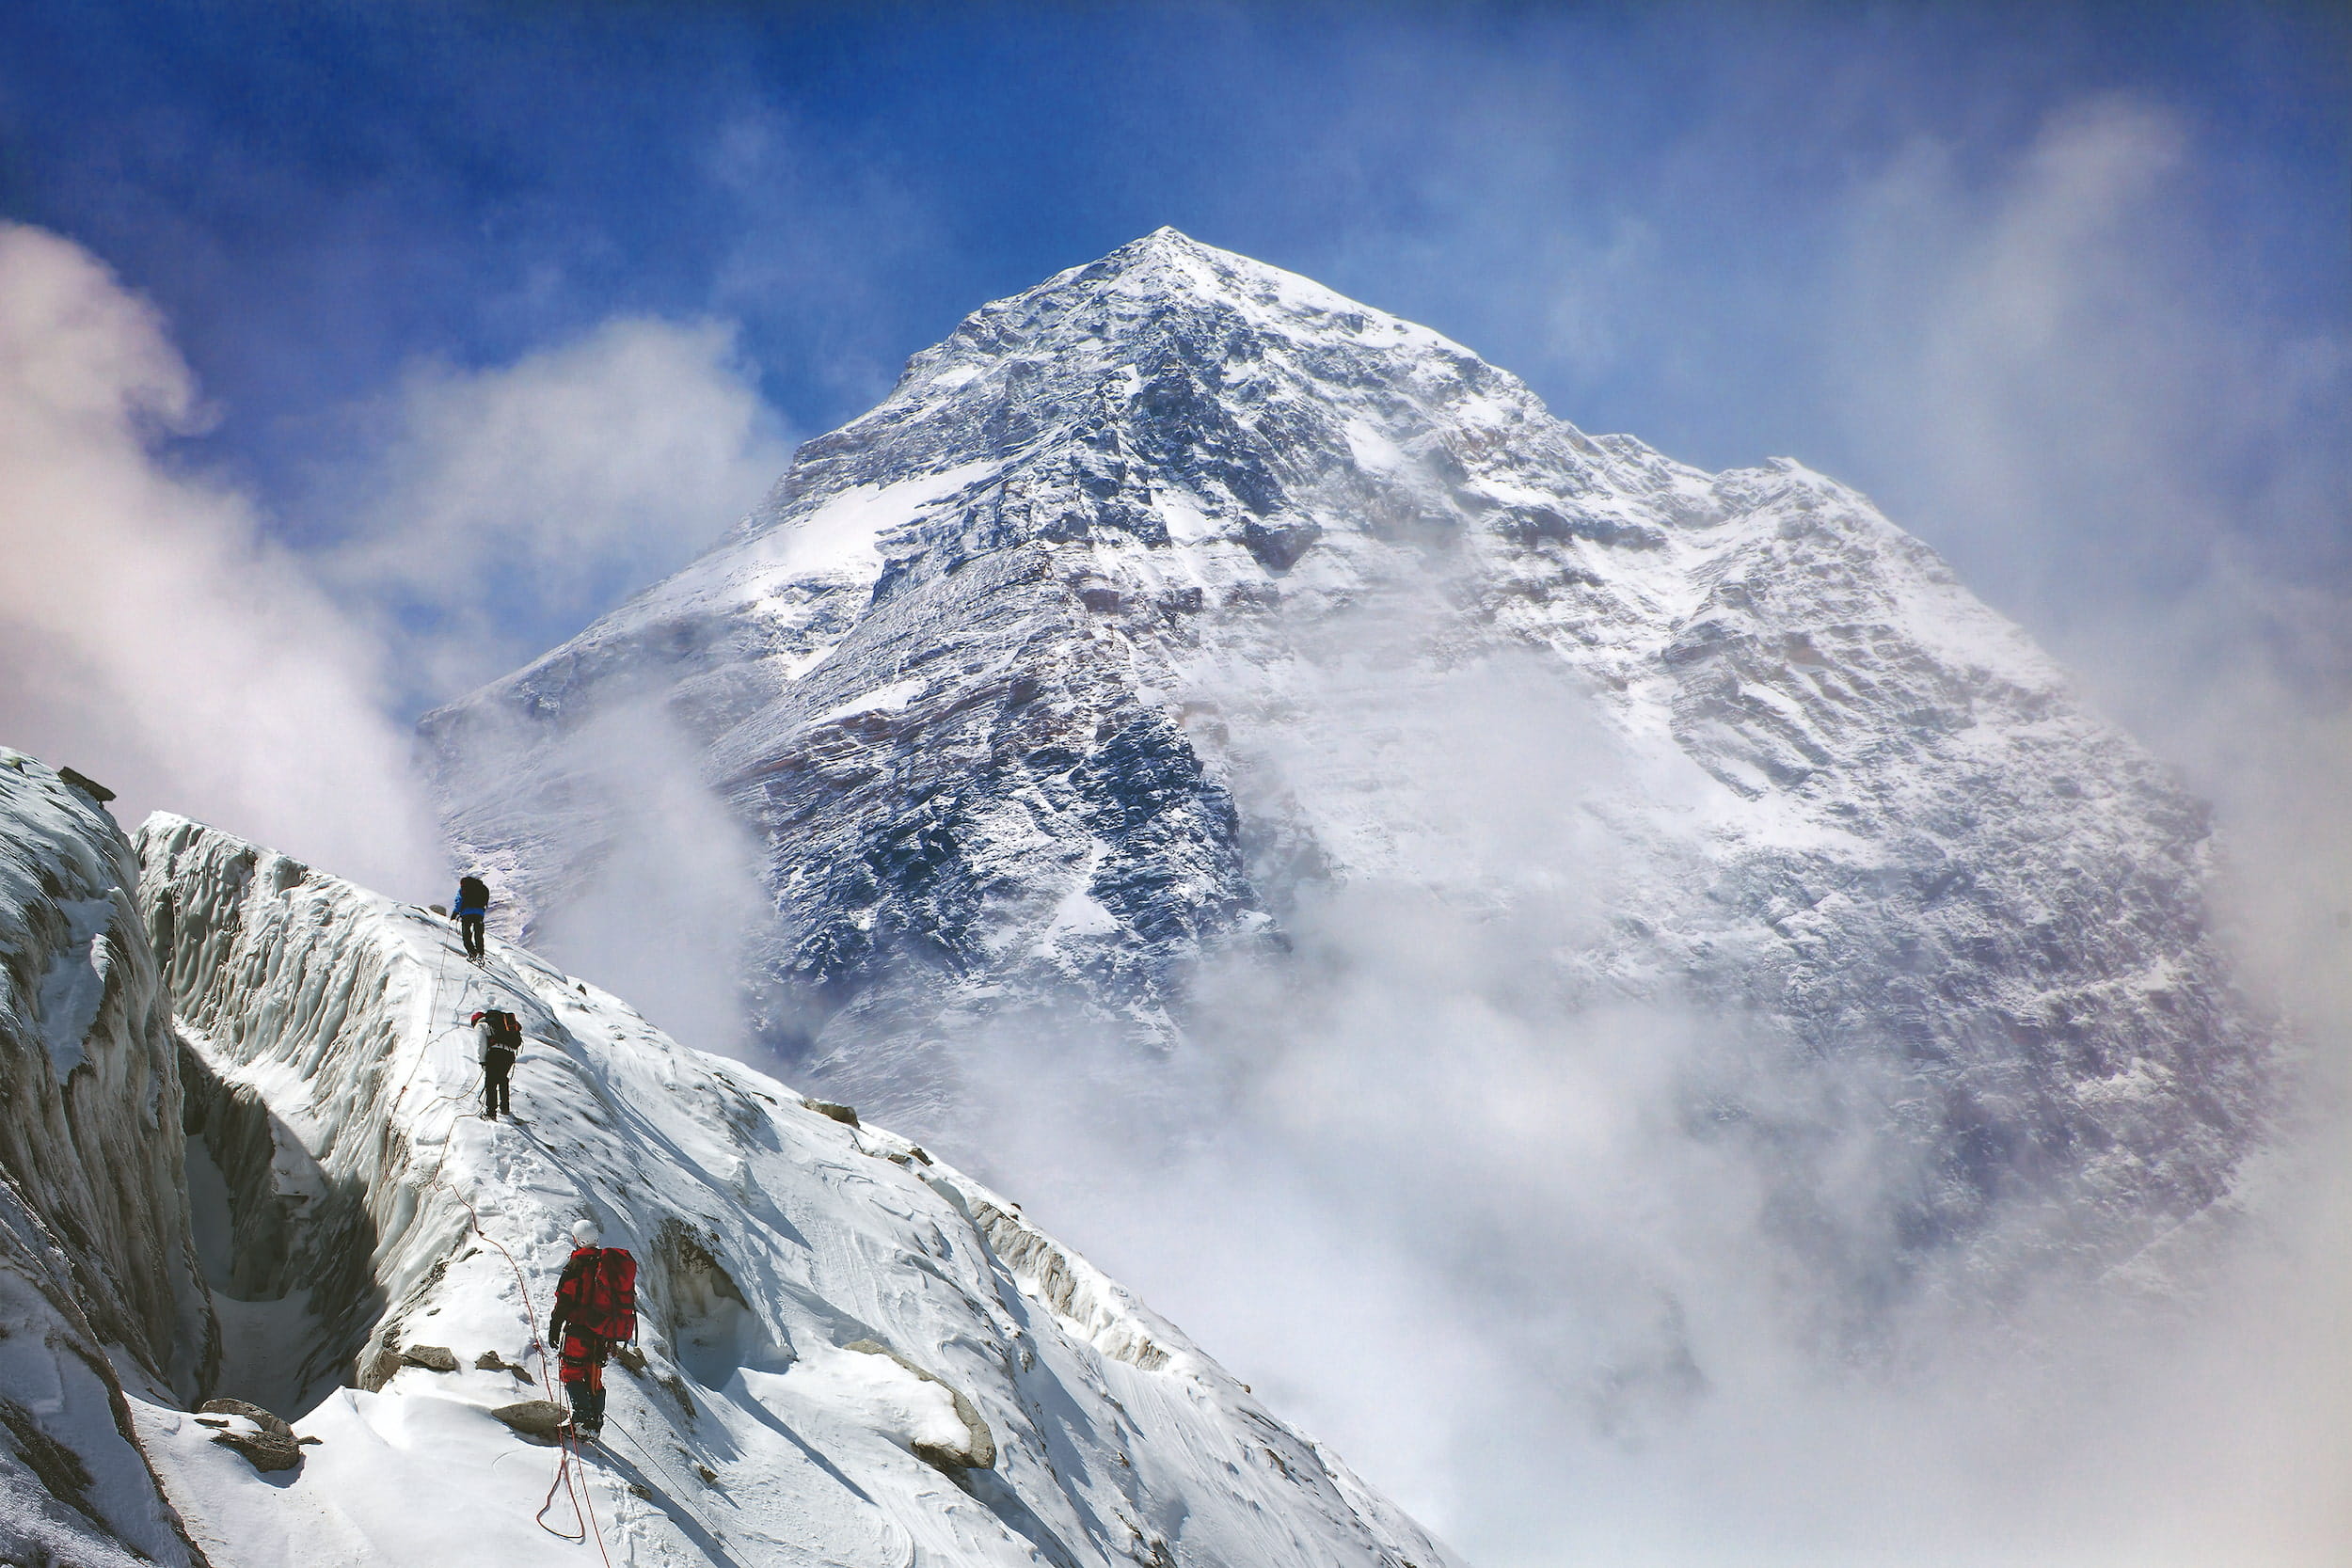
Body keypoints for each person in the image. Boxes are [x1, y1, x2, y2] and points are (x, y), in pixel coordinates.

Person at [546, 1218, 636, 1441]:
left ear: (577, 1240)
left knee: (572, 1371)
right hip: (602, 1332)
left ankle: (583, 1421)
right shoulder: (606, 1264)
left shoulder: (577, 1265)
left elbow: (564, 1299)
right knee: (593, 1375)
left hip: (579, 1329)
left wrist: (555, 1326)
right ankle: (595, 1423)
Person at [472, 1008, 521, 1120]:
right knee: (502, 1079)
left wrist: (483, 1061)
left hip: (496, 1053)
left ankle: (491, 1113)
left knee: (491, 1083)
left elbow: (481, 1044)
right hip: (509, 1055)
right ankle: (505, 1108)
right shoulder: (499, 1024)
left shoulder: (481, 1025)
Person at [453, 874, 490, 962]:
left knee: (466, 934)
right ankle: (480, 954)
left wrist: (455, 913)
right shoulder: (482, 888)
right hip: (479, 914)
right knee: (478, 934)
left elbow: (459, 901)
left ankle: (472, 953)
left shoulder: (464, 888)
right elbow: (486, 900)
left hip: (466, 914)